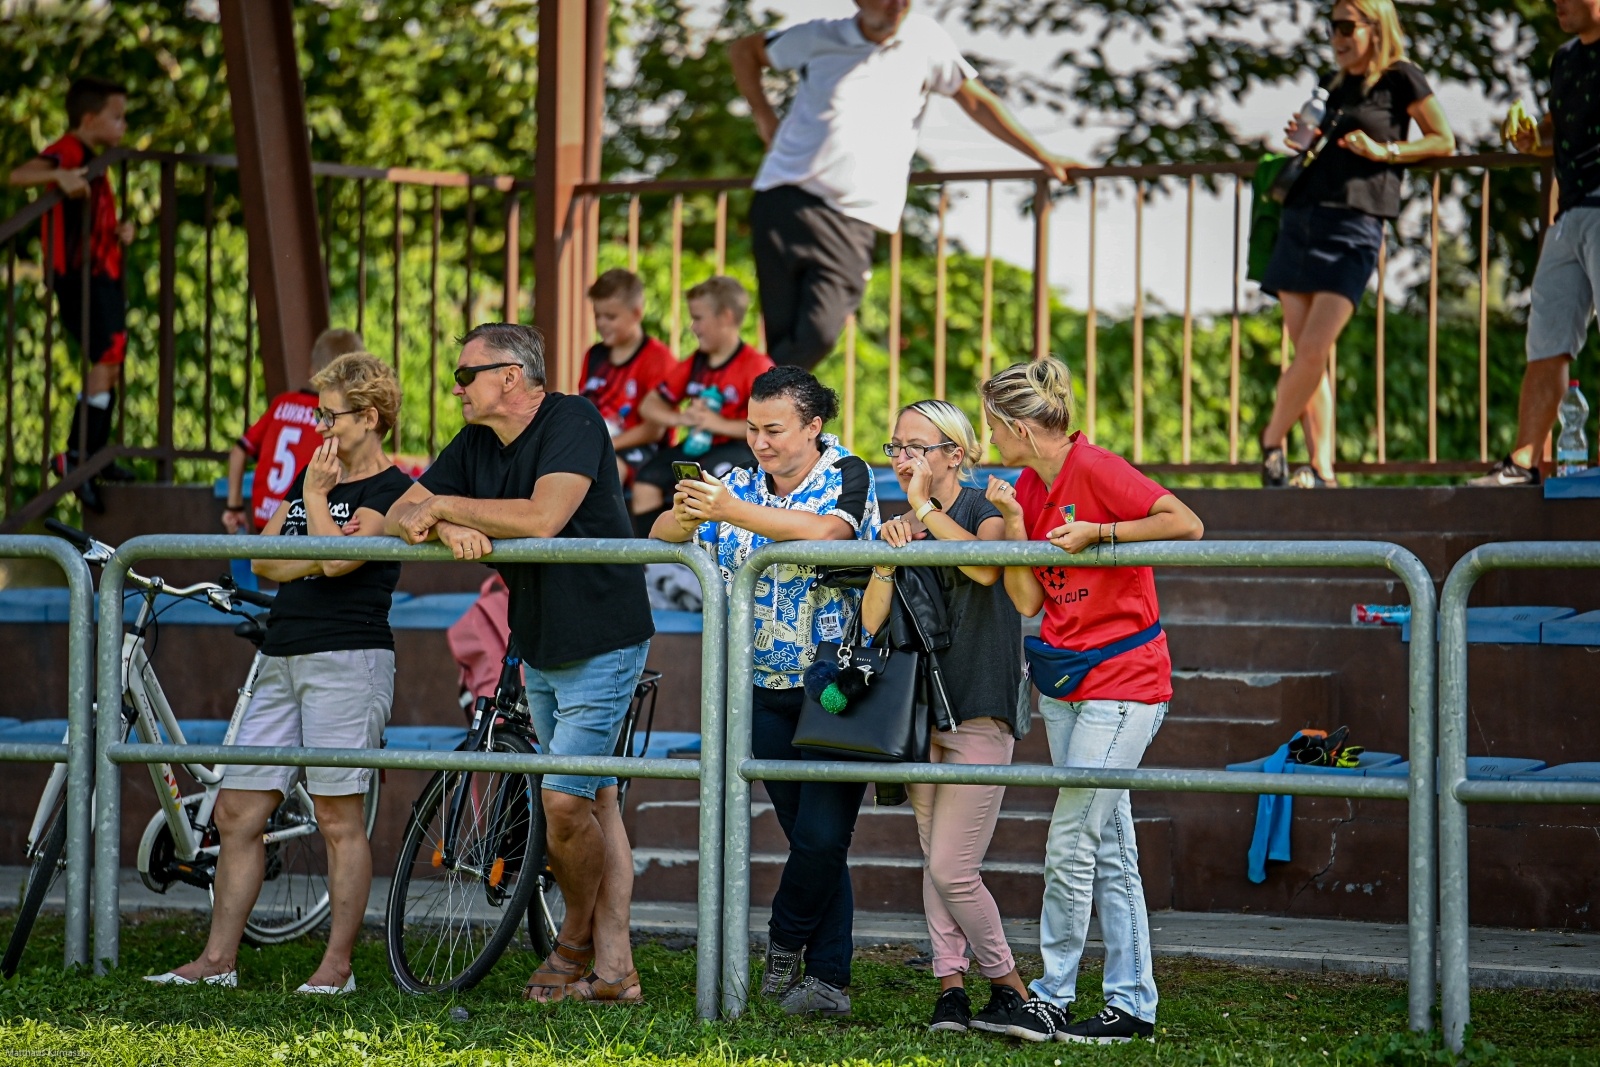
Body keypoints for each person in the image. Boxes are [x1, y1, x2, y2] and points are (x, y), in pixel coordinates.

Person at [385, 323, 654, 1005]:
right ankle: (617, 970)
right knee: (593, 800)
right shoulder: (476, 441)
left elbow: (543, 517)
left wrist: (443, 504)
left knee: (563, 800)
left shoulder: (573, 417)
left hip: (603, 636)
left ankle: (572, 944)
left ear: (510, 375)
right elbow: (399, 510)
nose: (455, 386)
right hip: (540, 641)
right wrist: (445, 525)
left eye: (465, 373)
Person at [144, 352, 412, 993]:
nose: (320, 427)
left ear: (369, 418)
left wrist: (318, 526)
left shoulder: (391, 490)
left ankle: (336, 969)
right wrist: (320, 546)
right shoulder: (312, 477)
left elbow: (342, 564)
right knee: (237, 812)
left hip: (348, 659)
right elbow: (265, 560)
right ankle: (217, 962)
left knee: (337, 819)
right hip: (281, 655)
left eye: (330, 415)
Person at [979, 358, 1203, 1044]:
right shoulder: (1026, 485)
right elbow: (1027, 599)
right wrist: (1017, 522)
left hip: (1125, 678)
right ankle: (1132, 1002)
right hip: (1064, 680)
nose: (990, 440)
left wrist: (1102, 535)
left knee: (1072, 839)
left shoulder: (1096, 468)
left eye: (992, 426)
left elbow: (1184, 522)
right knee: (1106, 842)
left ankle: (1050, 994)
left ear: (1019, 426)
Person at [651, 366, 879, 1017]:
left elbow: (830, 534)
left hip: (837, 689)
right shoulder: (734, 481)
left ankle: (783, 947)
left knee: (819, 836)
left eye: (774, 428)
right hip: (755, 686)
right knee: (805, 835)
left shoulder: (849, 471)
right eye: (751, 426)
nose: (759, 440)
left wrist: (729, 510)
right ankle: (828, 979)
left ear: (814, 426)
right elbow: (660, 542)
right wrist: (684, 512)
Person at [729, 0, 1076, 370]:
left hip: (852, 214)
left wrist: (1042, 156)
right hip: (784, 196)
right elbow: (743, 50)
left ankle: (750, 409)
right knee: (783, 337)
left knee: (819, 334)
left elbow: (976, 100)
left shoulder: (925, 41)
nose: (898, 6)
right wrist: (764, 117)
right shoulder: (819, 36)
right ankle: (760, 417)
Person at [858, 400, 1028, 1035]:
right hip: (918, 713)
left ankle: (1009, 986)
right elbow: (871, 624)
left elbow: (985, 567)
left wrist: (924, 515)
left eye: (916, 447)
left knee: (953, 868)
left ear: (955, 455)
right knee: (935, 860)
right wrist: (886, 554)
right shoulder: (904, 522)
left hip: (981, 710)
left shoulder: (988, 510)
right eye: (895, 446)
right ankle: (949, 987)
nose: (901, 459)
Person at [1257, 0, 1454, 488]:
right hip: (1301, 219)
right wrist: (1301, 140)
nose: (1338, 36)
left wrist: (1384, 150)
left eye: (1347, 26)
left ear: (1375, 26)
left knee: (1314, 347)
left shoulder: (1401, 77)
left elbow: (1443, 140)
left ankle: (1270, 441)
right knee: (1308, 355)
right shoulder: (1334, 83)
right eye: (1333, 27)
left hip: (1355, 226)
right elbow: (1318, 148)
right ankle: (1322, 469)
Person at [1472, 0, 1600, 486]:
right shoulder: (1565, 58)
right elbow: (1558, 130)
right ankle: (1525, 461)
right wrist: (1532, 138)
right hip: (1568, 214)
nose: (1557, 3)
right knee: (1546, 339)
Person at [8, 76, 137, 513]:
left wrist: (121, 233)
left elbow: (97, 222)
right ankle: (77, 455)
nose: (123, 125)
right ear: (89, 118)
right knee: (107, 357)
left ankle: (92, 456)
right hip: (79, 278)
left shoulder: (94, 160)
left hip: (103, 273)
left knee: (112, 359)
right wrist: (59, 176)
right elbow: (16, 174)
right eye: (116, 117)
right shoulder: (70, 151)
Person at [631, 275, 775, 532]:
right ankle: (652, 568)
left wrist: (718, 424)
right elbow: (649, 405)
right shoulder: (696, 361)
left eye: (698, 318)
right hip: (695, 448)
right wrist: (681, 418)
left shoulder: (756, 366)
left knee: (709, 487)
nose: (693, 327)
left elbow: (773, 425)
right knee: (646, 480)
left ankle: (705, 566)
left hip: (739, 451)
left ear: (726, 317)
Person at [223, 328, 366, 533]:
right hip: (301, 526)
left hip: (264, 521)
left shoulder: (281, 404)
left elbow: (238, 451)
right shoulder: (333, 420)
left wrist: (234, 506)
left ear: (311, 370)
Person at [579, 269, 676, 484]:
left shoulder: (658, 359)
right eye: (597, 316)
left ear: (636, 313)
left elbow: (655, 430)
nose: (601, 323)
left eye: (611, 317)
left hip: (645, 451)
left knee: (608, 470)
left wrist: (606, 445)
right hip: (596, 445)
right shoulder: (593, 355)